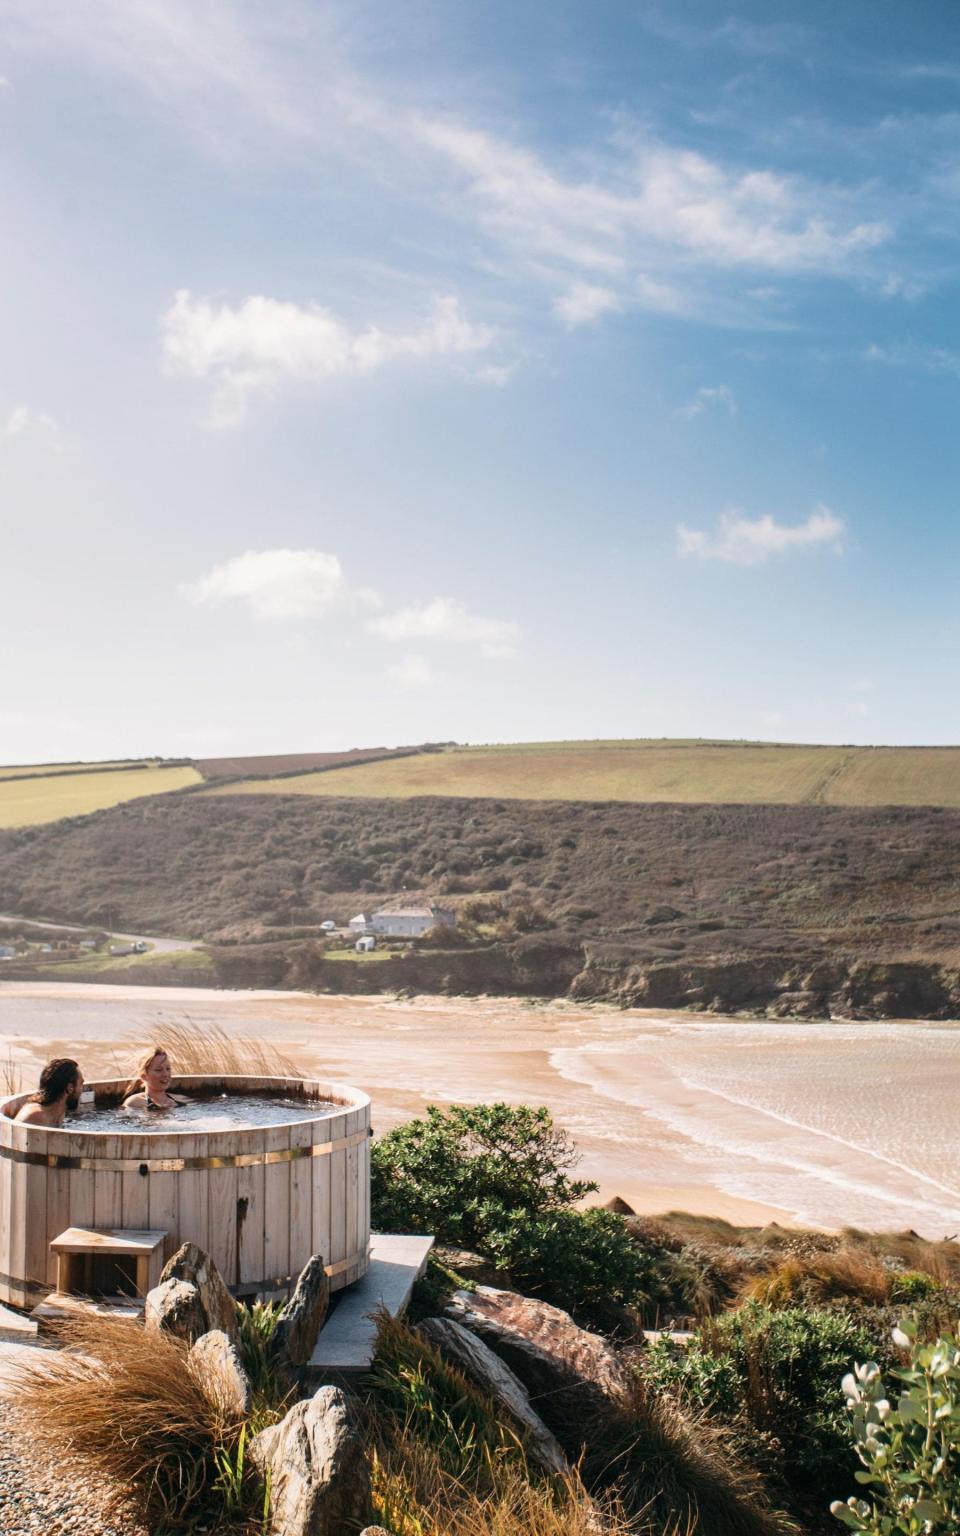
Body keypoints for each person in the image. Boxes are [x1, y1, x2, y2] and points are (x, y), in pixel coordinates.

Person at [14, 1058, 84, 1126]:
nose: (82, 1089)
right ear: (70, 1088)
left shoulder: (58, 1112)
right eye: (81, 1083)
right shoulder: (36, 1116)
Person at [123, 1047, 188, 1111]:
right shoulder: (134, 1103)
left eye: (168, 1069)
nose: (165, 1074)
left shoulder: (181, 1100)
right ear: (143, 1075)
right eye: (158, 1070)